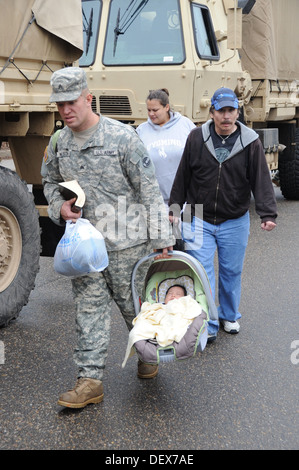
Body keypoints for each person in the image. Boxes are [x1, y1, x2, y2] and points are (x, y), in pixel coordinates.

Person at [41, 67, 175, 408]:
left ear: (88, 98)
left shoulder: (123, 138)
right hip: (85, 249)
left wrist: (162, 240)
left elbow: (149, 190)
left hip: (127, 246)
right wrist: (60, 209)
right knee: (88, 311)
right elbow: (50, 183)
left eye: (71, 102)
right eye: (59, 105)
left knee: (136, 311)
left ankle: (148, 353)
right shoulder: (59, 143)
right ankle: (90, 381)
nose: (65, 111)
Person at [168, 87, 277, 337]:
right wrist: (175, 210)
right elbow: (183, 174)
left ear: (237, 112)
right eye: (221, 111)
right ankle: (209, 322)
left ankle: (229, 315)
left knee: (231, 270)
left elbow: (260, 179)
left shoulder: (250, 141)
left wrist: (268, 214)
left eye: (231, 111)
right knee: (201, 270)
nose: (226, 117)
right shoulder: (196, 137)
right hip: (197, 216)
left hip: (235, 218)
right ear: (212, 112)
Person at [136, 88, 195, 207]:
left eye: (155, 110)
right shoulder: (141, 131)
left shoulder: (185, 125)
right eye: (148, 110)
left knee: (187, 225)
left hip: (187, 201)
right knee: (160, 226)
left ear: (166, 107)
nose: (151, 114)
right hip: (157, 202)